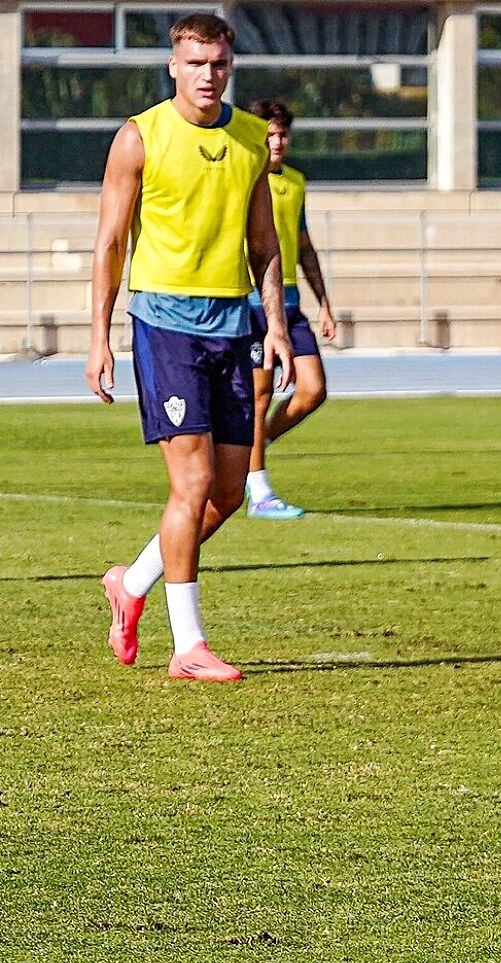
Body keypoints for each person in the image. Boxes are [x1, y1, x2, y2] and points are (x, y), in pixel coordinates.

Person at [91, 12, 290, 681]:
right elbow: (110, 244)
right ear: (173, 65)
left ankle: (132, 582)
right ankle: (188, 647)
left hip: (233, 327)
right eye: (196, 63)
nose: (208, 75)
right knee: (193, 483)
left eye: (219, 64)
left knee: (228, 494)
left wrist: (280, 329)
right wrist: (99, 338)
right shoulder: (138, 138)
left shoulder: (248, 138)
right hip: (165, 326)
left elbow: (263, 244)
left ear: (230, 66)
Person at [244, 98, 338, 520]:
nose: (277, 141)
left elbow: (302, 245)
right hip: (253, 302)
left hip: (291, 303)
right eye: (270, 134)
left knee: (312, 389)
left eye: (282, 133)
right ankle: (259, 491)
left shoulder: (296, 182)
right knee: (260, 395)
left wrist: (325, 303)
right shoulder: (244, 179)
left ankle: (250, 449)